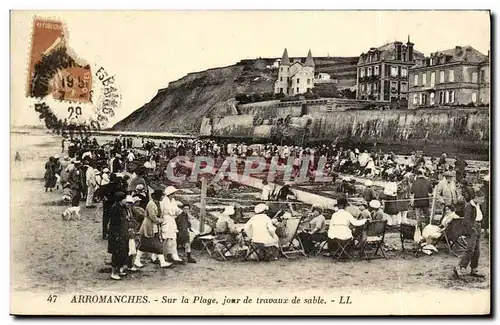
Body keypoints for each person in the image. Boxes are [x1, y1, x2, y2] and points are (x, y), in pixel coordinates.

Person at [134, 189, 173, 269]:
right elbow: (153, 217)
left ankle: (161, 262)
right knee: (147, 244)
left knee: (152, 244)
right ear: (158, 196)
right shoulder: (151, 204)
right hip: (149, 226)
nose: (163, 197)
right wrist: (161, 220)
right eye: (162, 195)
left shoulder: (158, 203)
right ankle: (137, 260)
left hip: (155, 227)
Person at [453, 189, 485, 278]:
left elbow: (479, 216)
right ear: (476, 197)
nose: (483, 201)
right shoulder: (469, 207)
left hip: (478, 226)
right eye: (481, 199)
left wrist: (480, 227)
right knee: (470, 249)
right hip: (473, 228)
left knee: (476, 250)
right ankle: (459, 267)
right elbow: (466, 221)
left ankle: (474, 269)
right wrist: (471, 229)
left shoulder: (477, 205)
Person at [108, 192, 132, 280]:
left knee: (123, 252)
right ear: (120, 200)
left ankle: (119, 270)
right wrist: (116, 235)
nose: (126, 200)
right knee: (116, 253)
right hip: (117, 234)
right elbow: (113, 224)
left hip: (123, 233)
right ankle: (114, 272)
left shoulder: (123, 207)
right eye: (124, 199)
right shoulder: (115, 208)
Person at [161, 186, 184, 264]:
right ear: (169, 194)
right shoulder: (164, 202)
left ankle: (175, 255)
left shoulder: (173, 201)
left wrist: (182, 212)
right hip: (165, 221)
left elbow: (177, 210)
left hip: (172, 221)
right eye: (172, 194)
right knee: (165, 239)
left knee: (173, 239)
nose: (174, 195)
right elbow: (160, 212)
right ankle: (160, 256)